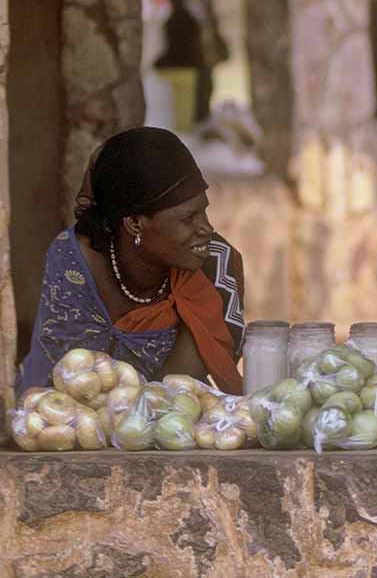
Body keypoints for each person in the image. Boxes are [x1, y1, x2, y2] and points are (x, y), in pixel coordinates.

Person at [17, 127, 246, 396]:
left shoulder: (215, 265)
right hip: (72, 424)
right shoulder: (72, 262)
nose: (207, 228)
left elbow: (168, 393)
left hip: (164, 425)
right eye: (188, 218)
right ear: (135, 223)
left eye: (204, 211)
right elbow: (65, 381)